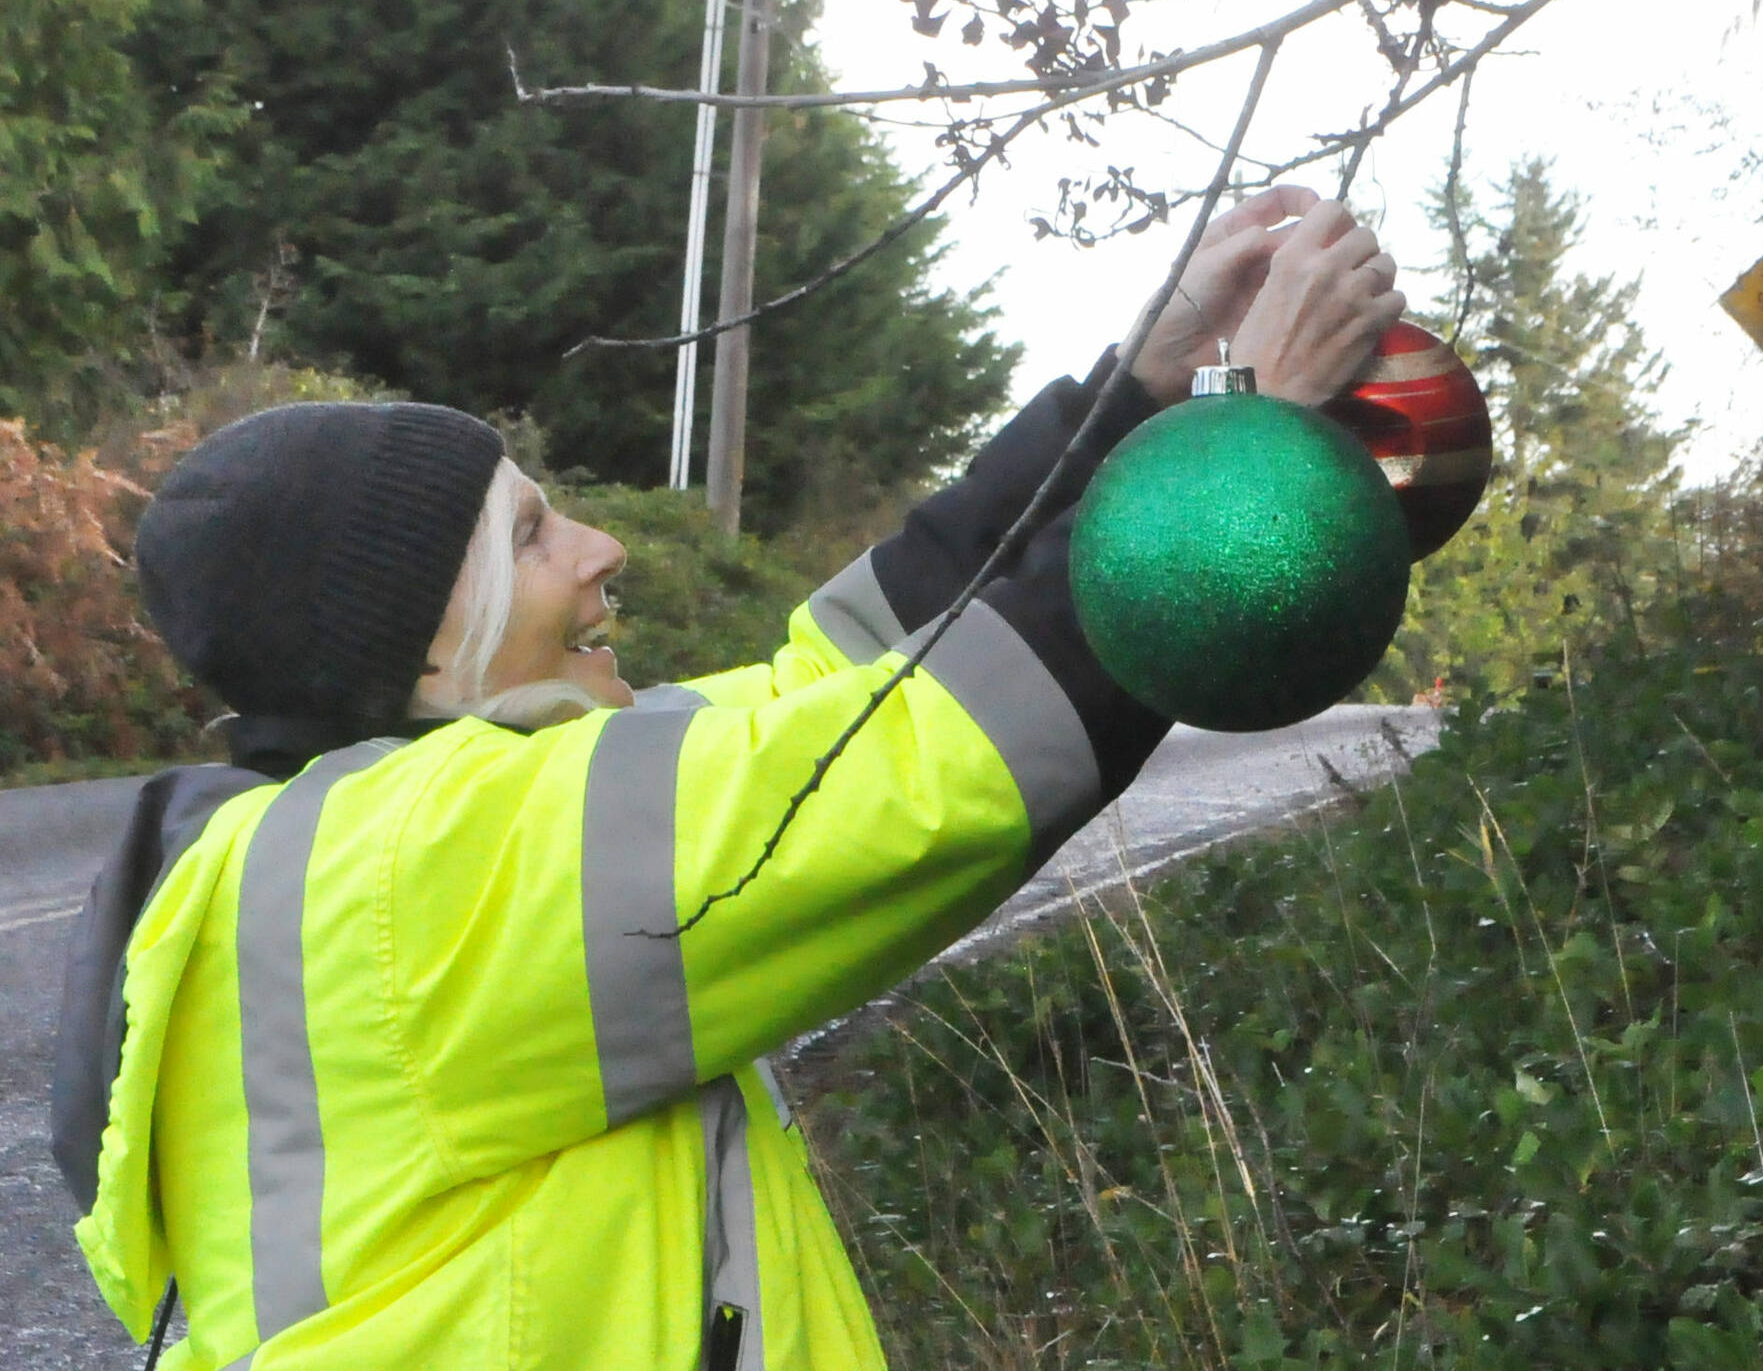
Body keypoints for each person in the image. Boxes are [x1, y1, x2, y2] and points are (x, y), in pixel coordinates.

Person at [50, 190, 1403, 1370]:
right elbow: (919, 768)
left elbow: (849, 683)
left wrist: (1140, 392)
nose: (598, 548)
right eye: (529, 538)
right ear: (416, 657)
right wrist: (1241, 434)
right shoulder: (414, 874)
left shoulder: (411, 833)